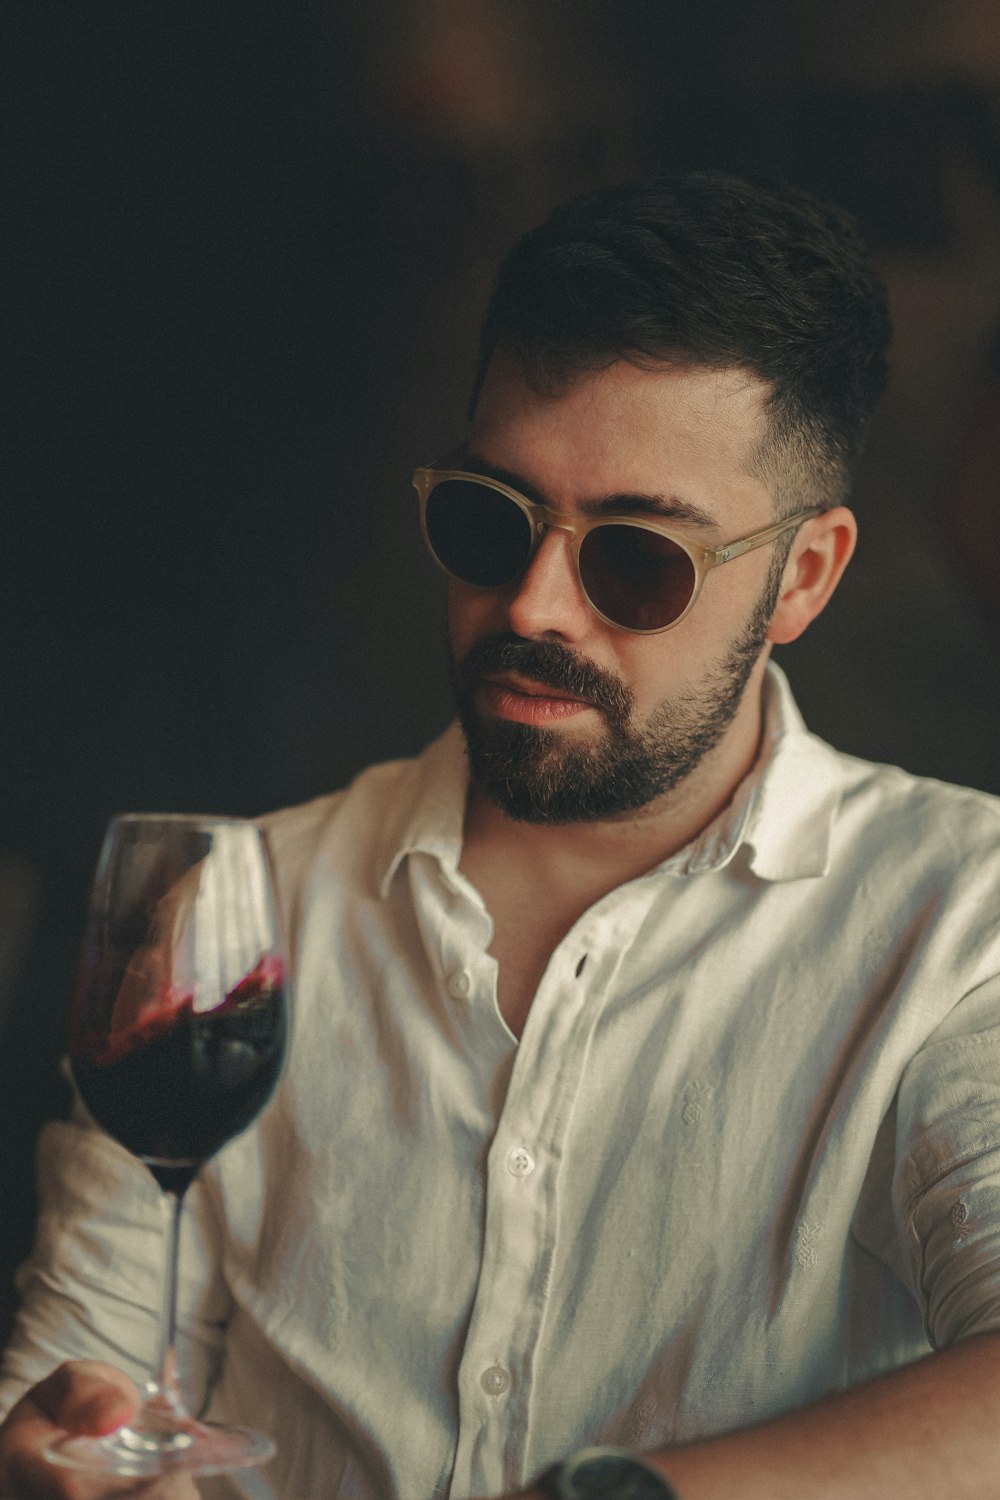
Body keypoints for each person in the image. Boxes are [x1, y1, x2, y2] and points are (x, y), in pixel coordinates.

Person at [3, 169, 1000, 1500]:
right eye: (490, 519)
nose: (534, 604)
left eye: (635, 556)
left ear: (802, 577)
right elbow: (75, 1380)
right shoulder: (238, 906)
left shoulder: (961, 922)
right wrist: (51, 1455)